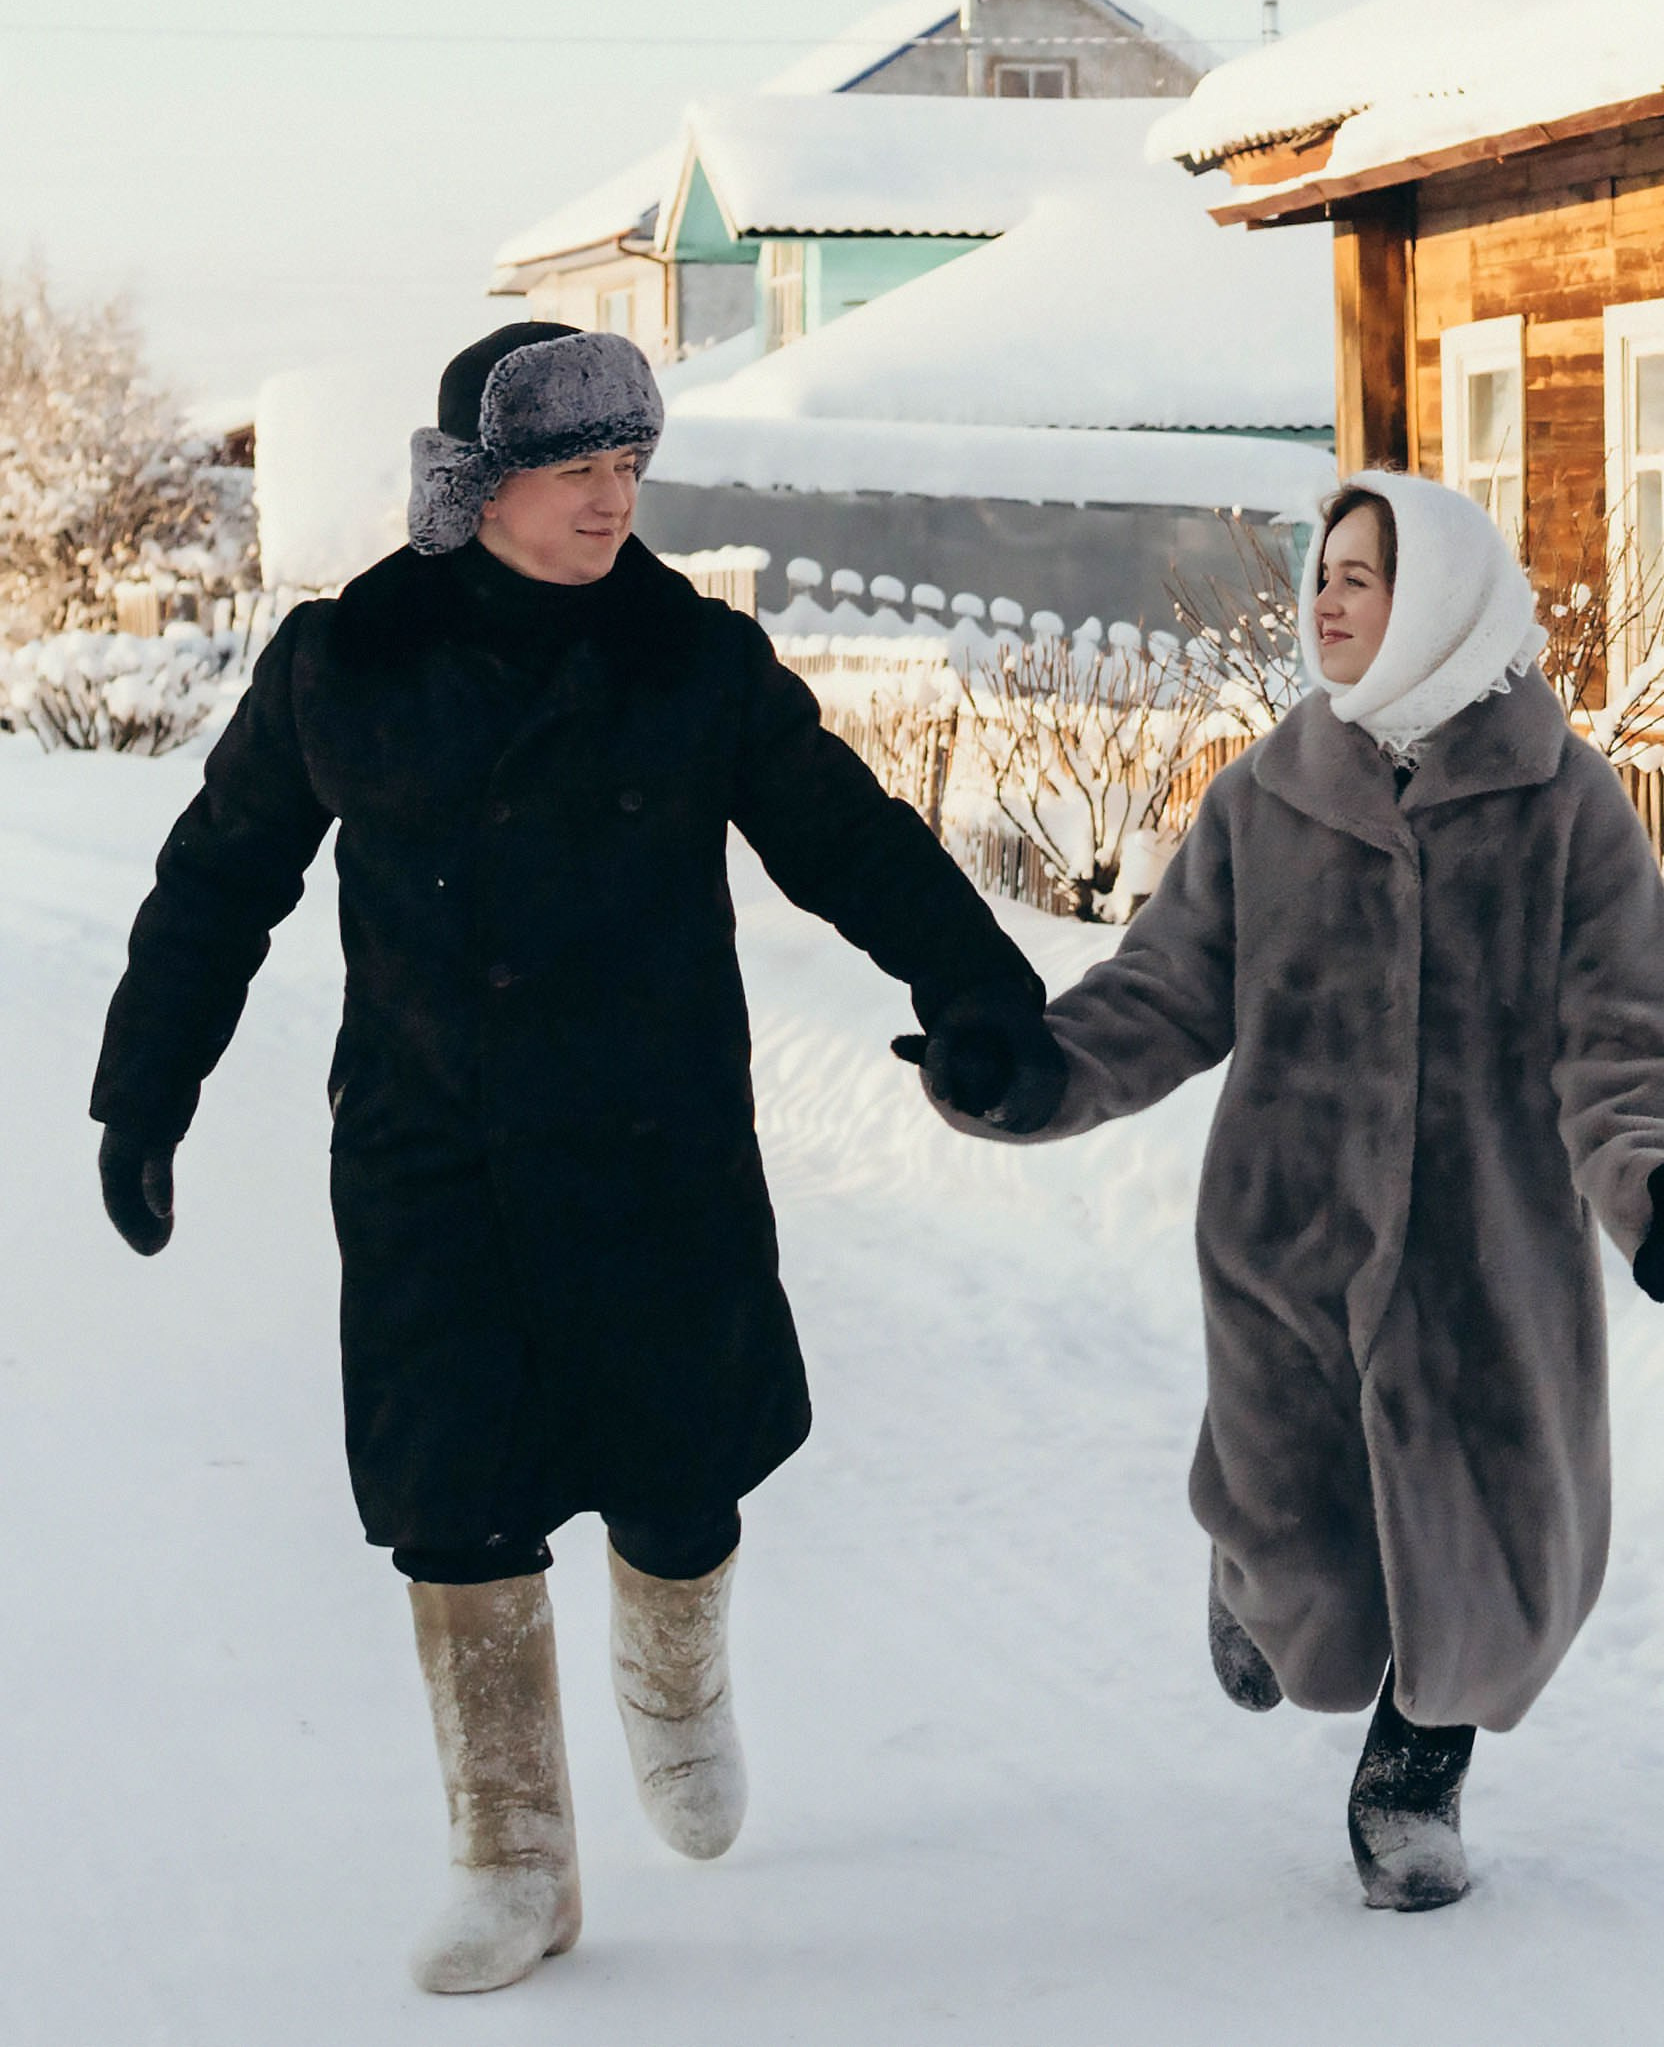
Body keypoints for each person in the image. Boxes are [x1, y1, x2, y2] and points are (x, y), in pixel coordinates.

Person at [90, 321, 1052, 1995]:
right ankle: (513, 1853)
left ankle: (675, 1688)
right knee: (453, 1505)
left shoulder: (691, 663)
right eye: (576, 468)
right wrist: (144, 1089)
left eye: (630, 466)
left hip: (650, 1143)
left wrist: (977, 985)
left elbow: (844, 833)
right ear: (478, 483)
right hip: (431, 1156)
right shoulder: (346, 661)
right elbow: (217, 879)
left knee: (677, 1478)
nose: (614, 499)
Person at [911, 470, 1664, 1910]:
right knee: (1294, 1530)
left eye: (1366, 576)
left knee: (1493, 1526)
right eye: (1327, 576)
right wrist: (1031, 1078)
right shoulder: (1268, 795)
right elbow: (1166, 989)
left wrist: (1655, 1178)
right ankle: (1246, 1585)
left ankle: (1418, 1768)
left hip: (1486, 1247)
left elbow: (1630, 1022)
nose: (1331, 601)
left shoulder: (1560, 802)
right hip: (1285, 1230)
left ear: (1443, 601)